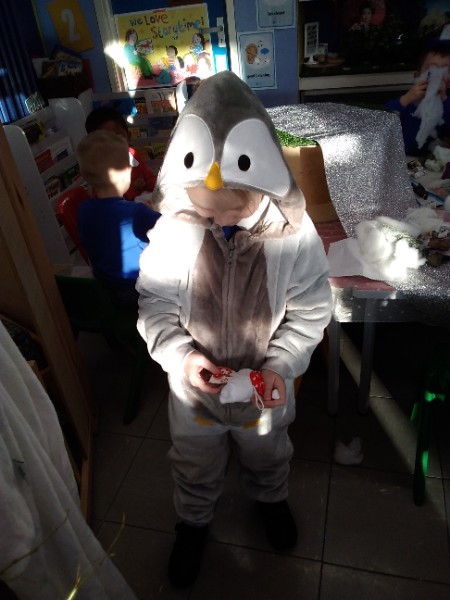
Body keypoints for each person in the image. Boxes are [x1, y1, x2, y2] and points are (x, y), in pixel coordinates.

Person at [135, 71, 332, 588]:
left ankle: (270, 498)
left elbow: (310, 311)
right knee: (194, 460)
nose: (220, 222)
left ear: (264, 184)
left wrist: (281, 365)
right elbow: (155, 304)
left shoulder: (294, 235)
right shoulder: (175, 228)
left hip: (265, 391)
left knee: (268, 451)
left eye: (234, 212)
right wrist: (182, 358)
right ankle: (193, 522)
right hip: (194, 393)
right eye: (206, 211)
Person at [76, 130, 160, 307]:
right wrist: (153, 211)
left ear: (84, 175)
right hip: (139, 292)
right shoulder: (136, 212)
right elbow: (169, 229)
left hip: (106, 289)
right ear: (126, 172)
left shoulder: (83, 210)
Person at [385, 40, 450, 156]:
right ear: (417, 76)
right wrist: (406, 99)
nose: (437, 76)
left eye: (445, 71)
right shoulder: (408, 102)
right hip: (402, 159)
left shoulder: (446, 105)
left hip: (433, 161)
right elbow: (384, 121)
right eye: (432, 70)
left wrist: (444, 100)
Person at [85, 105, 157, 201]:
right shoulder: (99, 169)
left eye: (118, 137)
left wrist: (157, 187)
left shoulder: (132, 155)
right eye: (105, 140)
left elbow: (149, 176)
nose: (114, 144)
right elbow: (107, 201)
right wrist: (133, 189)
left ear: (128, 137)